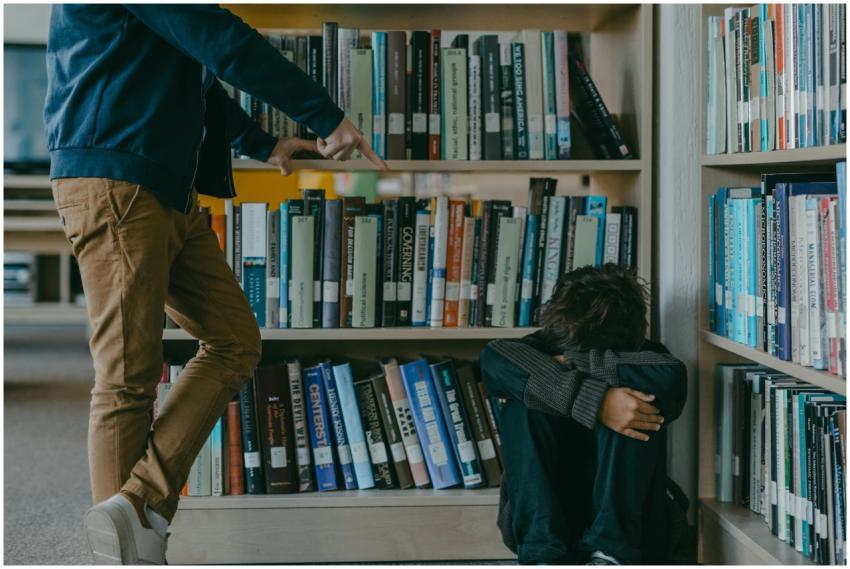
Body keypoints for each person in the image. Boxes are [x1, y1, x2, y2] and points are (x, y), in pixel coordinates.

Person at [44, 5, 386, 564]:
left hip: (163, 185)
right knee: (127, 379)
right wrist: (324, 115)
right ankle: (125, 553)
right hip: (116, 178)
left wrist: (262, 142)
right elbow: (220, 39)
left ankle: (136, 507)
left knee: (234, 338)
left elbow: (193, 64)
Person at [480, 264, 688, 565]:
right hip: (545, 524)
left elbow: (672, 377)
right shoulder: (540, 346)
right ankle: (543, 555)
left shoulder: (651, 359)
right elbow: (492, 358)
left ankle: (609, 554)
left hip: (633, 533)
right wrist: (596, 401)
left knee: (637, 404)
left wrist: (573, 364)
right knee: (523, 404)